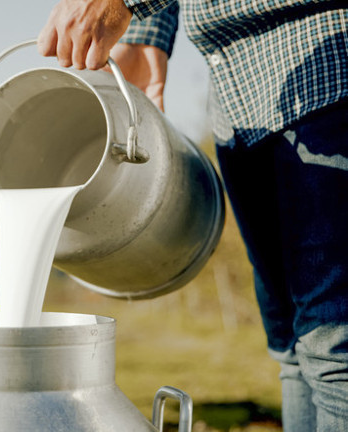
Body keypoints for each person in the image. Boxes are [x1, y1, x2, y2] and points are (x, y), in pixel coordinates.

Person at [37, 1, 348, 431]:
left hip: (326, 64)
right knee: (293, 347)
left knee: (333, 347)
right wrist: (149, 35)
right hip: (237, 97)